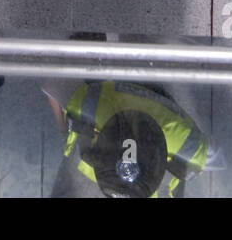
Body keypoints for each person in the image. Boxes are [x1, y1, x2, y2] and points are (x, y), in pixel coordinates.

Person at [43, 80, 222, 198]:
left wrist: (66, 129)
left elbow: (52, 84)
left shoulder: (190, 147)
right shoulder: (90, 106)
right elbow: (52, 84)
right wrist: (66, 129)